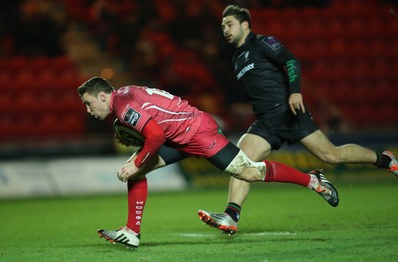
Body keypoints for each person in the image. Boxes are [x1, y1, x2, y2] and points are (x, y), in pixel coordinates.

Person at [197, 4, 398, 235]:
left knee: (331, 155)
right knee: (241, 162)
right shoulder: (236, 58)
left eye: (229, 24)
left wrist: (295, 91)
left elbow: (290, 60)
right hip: (265, 121)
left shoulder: (262, 42)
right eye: (223, 26)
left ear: (245, 25)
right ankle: (231, 216)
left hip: (288, 112)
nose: (225, 29)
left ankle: (385, 160)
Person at [78, 76, 338, 248]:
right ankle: (132, 232)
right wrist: (138, 159)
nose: (89, 111)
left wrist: (137, 161)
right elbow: (155, 126)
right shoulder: (124, 95)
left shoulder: (122, 106)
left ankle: (313, 180)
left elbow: (155, 136)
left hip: (197, 132)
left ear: (102, 96)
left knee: (248, 172)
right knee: (136, 171)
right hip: (179, 136)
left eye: (89, 104)